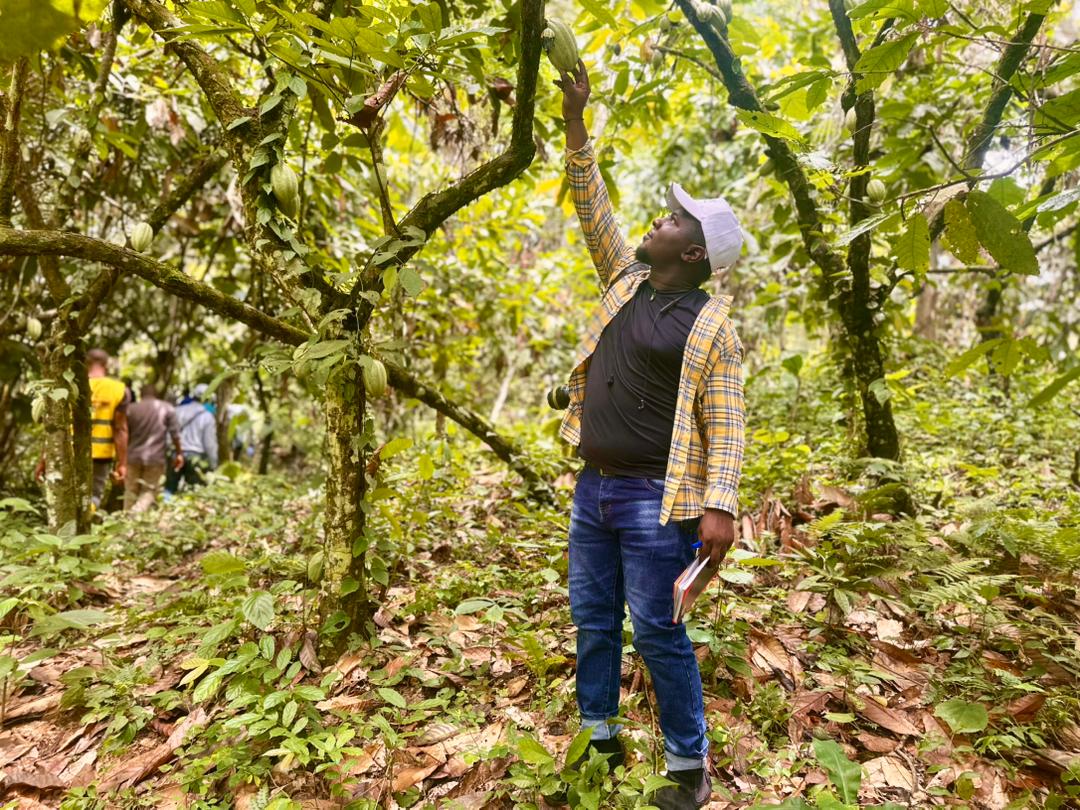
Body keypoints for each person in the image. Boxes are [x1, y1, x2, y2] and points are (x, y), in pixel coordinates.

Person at [552, 61, 747, 809]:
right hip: (593, 487)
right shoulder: (624, 281)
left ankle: (687, 770)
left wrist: (720, 506)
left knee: (658, 630)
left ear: (694, 254)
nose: (656, 221)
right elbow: (590, 201)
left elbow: (725, 422)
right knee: (591, 618)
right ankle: (599, 736)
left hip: (655, 500)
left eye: (673, 221)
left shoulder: (711, 324)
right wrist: (575, 118)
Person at [124, 383, 183, 512]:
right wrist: (179, 453)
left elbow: (123, 433)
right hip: (155, 457)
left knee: (130, 491)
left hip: (132, 456)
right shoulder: (167, 408)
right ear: (156, 394)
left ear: (141, 394)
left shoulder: (130, 409)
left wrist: (120, 458)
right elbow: (175, 434)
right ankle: (135, 515)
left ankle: (125, 523)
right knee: (149, 491)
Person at [165, 383, 218, 493]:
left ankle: (165, 506)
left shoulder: (177, 411)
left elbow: (169, 434)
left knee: (170, 488)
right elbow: (209, 444)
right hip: (195, 458)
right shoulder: (208, 416)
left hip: (176, 454)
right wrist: (213, 464)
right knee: (194, 491)